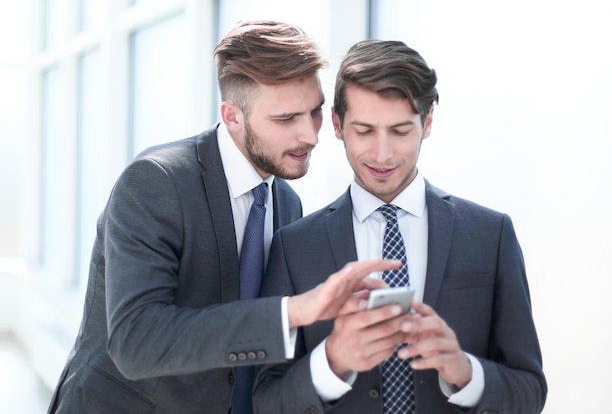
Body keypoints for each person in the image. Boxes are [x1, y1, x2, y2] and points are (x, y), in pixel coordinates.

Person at [47, 21, 399, 414]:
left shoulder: (286, 202)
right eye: (286, 119)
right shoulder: (155, 182)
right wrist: (297, 309)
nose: (311, 135)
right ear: (232, 116)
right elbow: (136, 342)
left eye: (315, 112)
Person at [254, 40, 548, 413]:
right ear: (337, 125)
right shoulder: (293, 247)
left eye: (400, 131)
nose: (382, 154)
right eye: (364, 131)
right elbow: (265, 402)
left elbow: (530, 392)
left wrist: (464, 371)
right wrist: (332, 361)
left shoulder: (491, 235)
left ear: (427, 123)